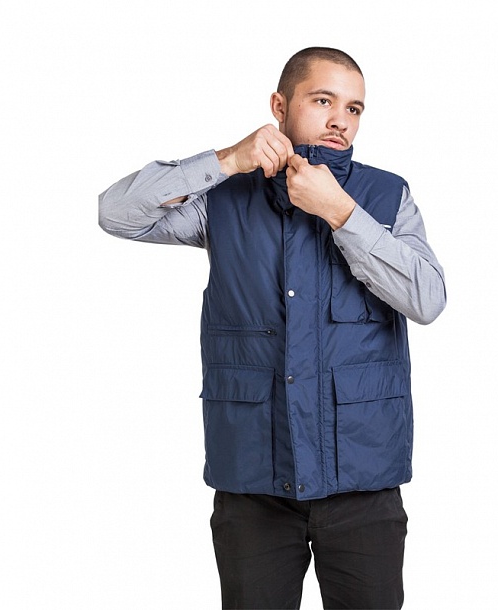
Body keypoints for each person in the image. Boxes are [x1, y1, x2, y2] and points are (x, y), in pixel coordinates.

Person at [99, 46, 446, 610]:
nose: (340, 120)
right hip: (254, 485)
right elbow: (115, 212)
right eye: (323, 101)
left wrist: (341, 213)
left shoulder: (386, 196)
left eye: (354, 108)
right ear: (279, 106)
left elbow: (427, 299)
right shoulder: (224, 200)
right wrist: (226, 160)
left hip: (363, 484)